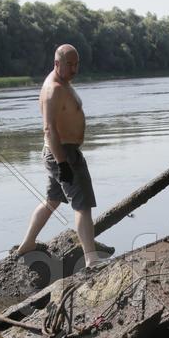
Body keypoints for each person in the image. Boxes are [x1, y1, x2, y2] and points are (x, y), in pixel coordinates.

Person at [17, 43, 99, 268]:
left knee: (52, 200)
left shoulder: (62, 83)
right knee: (83, 205)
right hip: (63, 153)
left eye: (76, 64)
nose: (74, 69)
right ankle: (91, 259)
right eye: (69, 64)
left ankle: (27, 243)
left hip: (61, 152)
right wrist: (63, 163)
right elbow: (49, 129)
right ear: (56, 63)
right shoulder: (54, 89)